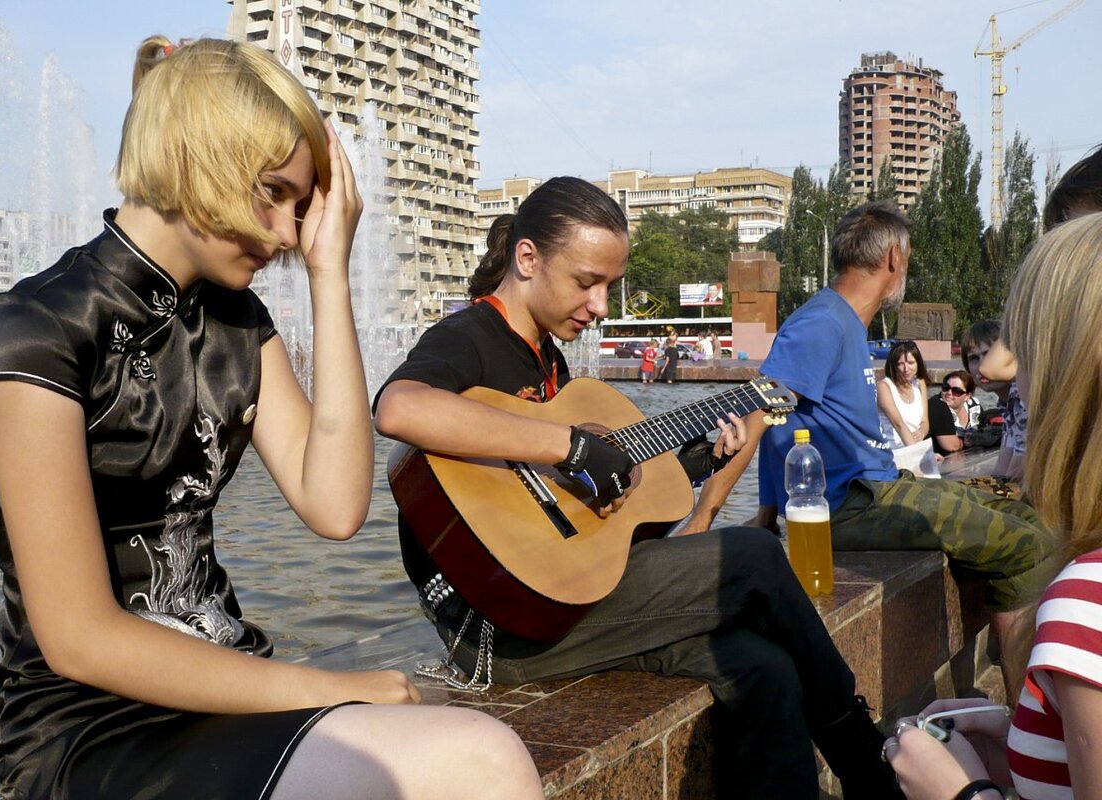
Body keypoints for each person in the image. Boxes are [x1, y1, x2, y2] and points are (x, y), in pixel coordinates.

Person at [0, 36, 540, 800]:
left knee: (472, 751)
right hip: (87, 732)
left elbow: (334, 507)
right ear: (193, 157)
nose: (285, 232)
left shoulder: (235, 317)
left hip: (225, 692)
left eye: (300, 206)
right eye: (273, 193)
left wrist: (329, 275)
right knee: (479, 757)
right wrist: (328, 686)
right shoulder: (41, 328)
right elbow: (78, 640)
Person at [374, 177, 904, 800]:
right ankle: (873, 774)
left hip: (562, 599)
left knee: (763, 667)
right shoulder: (468, 338)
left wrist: (703, 458)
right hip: (500, 629)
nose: (600, 305)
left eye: (608, 286)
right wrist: (571, 444)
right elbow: (398, 409)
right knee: (753, 555)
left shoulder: (550, 359)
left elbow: (590, 508)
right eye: (586, 281)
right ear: (527, 259)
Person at [687, 201, 1058, 686]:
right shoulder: (821, 322)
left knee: (1029, 519)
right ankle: (1025, 720)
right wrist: (704, 517)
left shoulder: (841, 320)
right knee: (1026, 547)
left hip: (880, 486)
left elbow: (787, 420)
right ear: (893, 259)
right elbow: (758, 414)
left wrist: (764, 510)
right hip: (853, 506)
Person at [885, 212, 1102, 800]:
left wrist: (963, 794)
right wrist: (1032, 736)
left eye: (1026, 357)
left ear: (1068, 377)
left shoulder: (1085, 602)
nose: (1017, 388)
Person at [961, 320, 1026, 480]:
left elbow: (1016, 475)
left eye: (989, 355)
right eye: (974, 358)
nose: (984, 365)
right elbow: (1002, 470)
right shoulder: (1006, 403)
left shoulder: (1022, 395)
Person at [876, 340, 931, 448]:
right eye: (901, 364)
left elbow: (925, 422)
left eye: (911, 363)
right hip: (893, 452)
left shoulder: (920, 383)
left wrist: (921, 433)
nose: (906, 369)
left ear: (918, 363)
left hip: (915, 446)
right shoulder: (883, 387)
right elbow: (899, 424)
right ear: (893, 366)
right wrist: (916, 454)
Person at [926, 370, 982, 457]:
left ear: (967, 396)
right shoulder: (936, 404)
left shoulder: (974, 406)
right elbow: (950, 446)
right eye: (946, 387)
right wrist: (966, 442)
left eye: (956, 391)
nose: (949, 393)